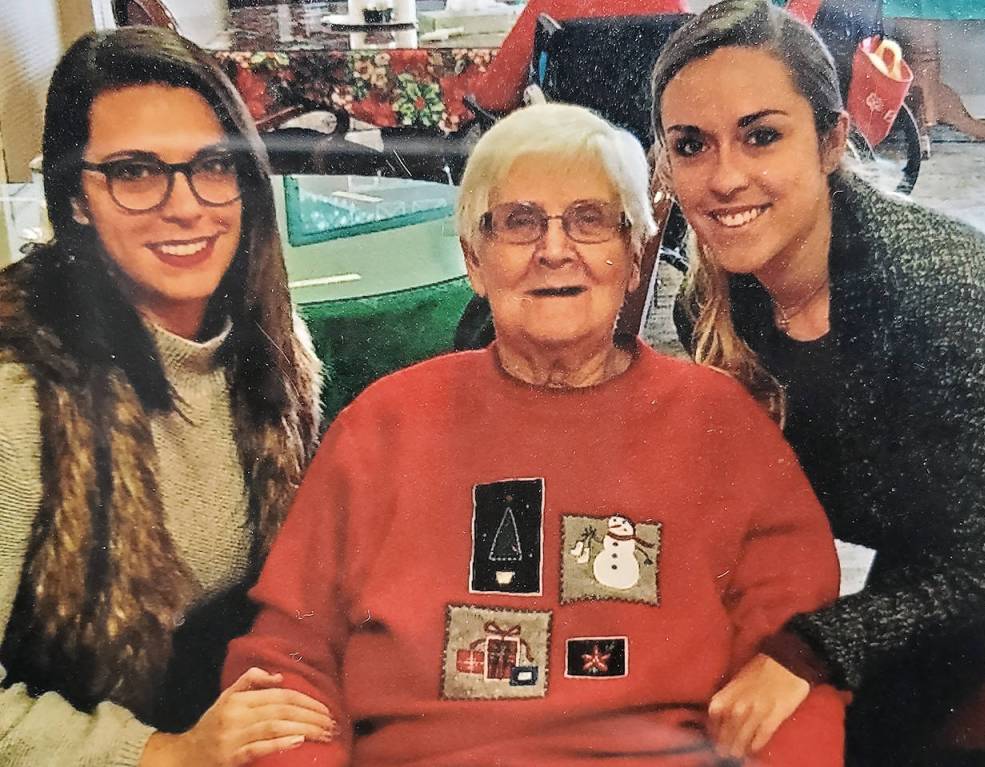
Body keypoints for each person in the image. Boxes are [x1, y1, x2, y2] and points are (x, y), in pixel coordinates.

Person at [221, 102, 846, 766]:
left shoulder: (718, 422)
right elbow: (289, 661)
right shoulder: (383, 424)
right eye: (519, 223)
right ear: (474, 260)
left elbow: (795, 652)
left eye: (590, 220)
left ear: (634, 258)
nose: (555, 250)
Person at [651, 2, 985, 765]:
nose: (724, 177)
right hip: (928, 553)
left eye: (761, 135)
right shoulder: (711, 300)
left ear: (830, 141)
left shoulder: (940, 294)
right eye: (692, 144)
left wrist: (806, 651)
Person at [0, 26, 332, 766]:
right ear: (76, 197)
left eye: (213, 165)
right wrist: (159, 752)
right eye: (135, 172)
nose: (185, 207)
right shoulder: (19, 389)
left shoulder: (278, 345)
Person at [472, 0, 690, 113]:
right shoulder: (673, 6)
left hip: (568, 158)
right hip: (647, 164)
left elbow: (494, 98)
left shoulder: (551, 4)